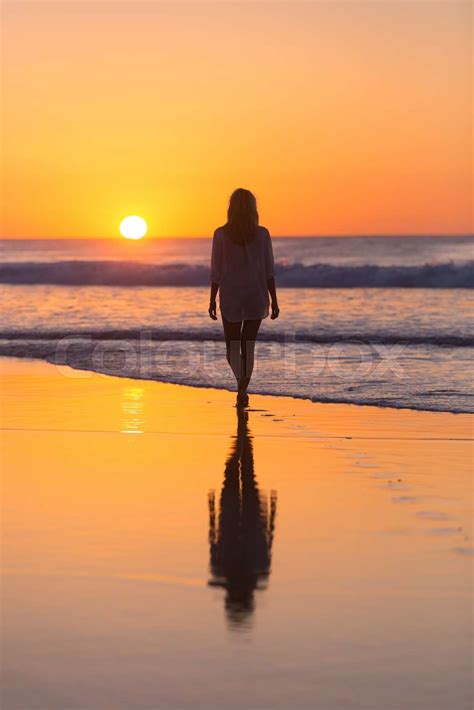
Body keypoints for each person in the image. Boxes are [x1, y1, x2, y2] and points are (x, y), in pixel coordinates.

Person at [208, 188, 279, 407]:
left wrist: (212, 299)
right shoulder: (262, 234)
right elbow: (269, 271)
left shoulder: (221, 234)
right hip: (256, 295)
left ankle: (241, 387)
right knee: (248, 346)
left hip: (231, 295)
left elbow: (216, 271)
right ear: (253, 208)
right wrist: (274, 300)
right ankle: (242, 389)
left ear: (231, 208)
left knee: (232, 348)